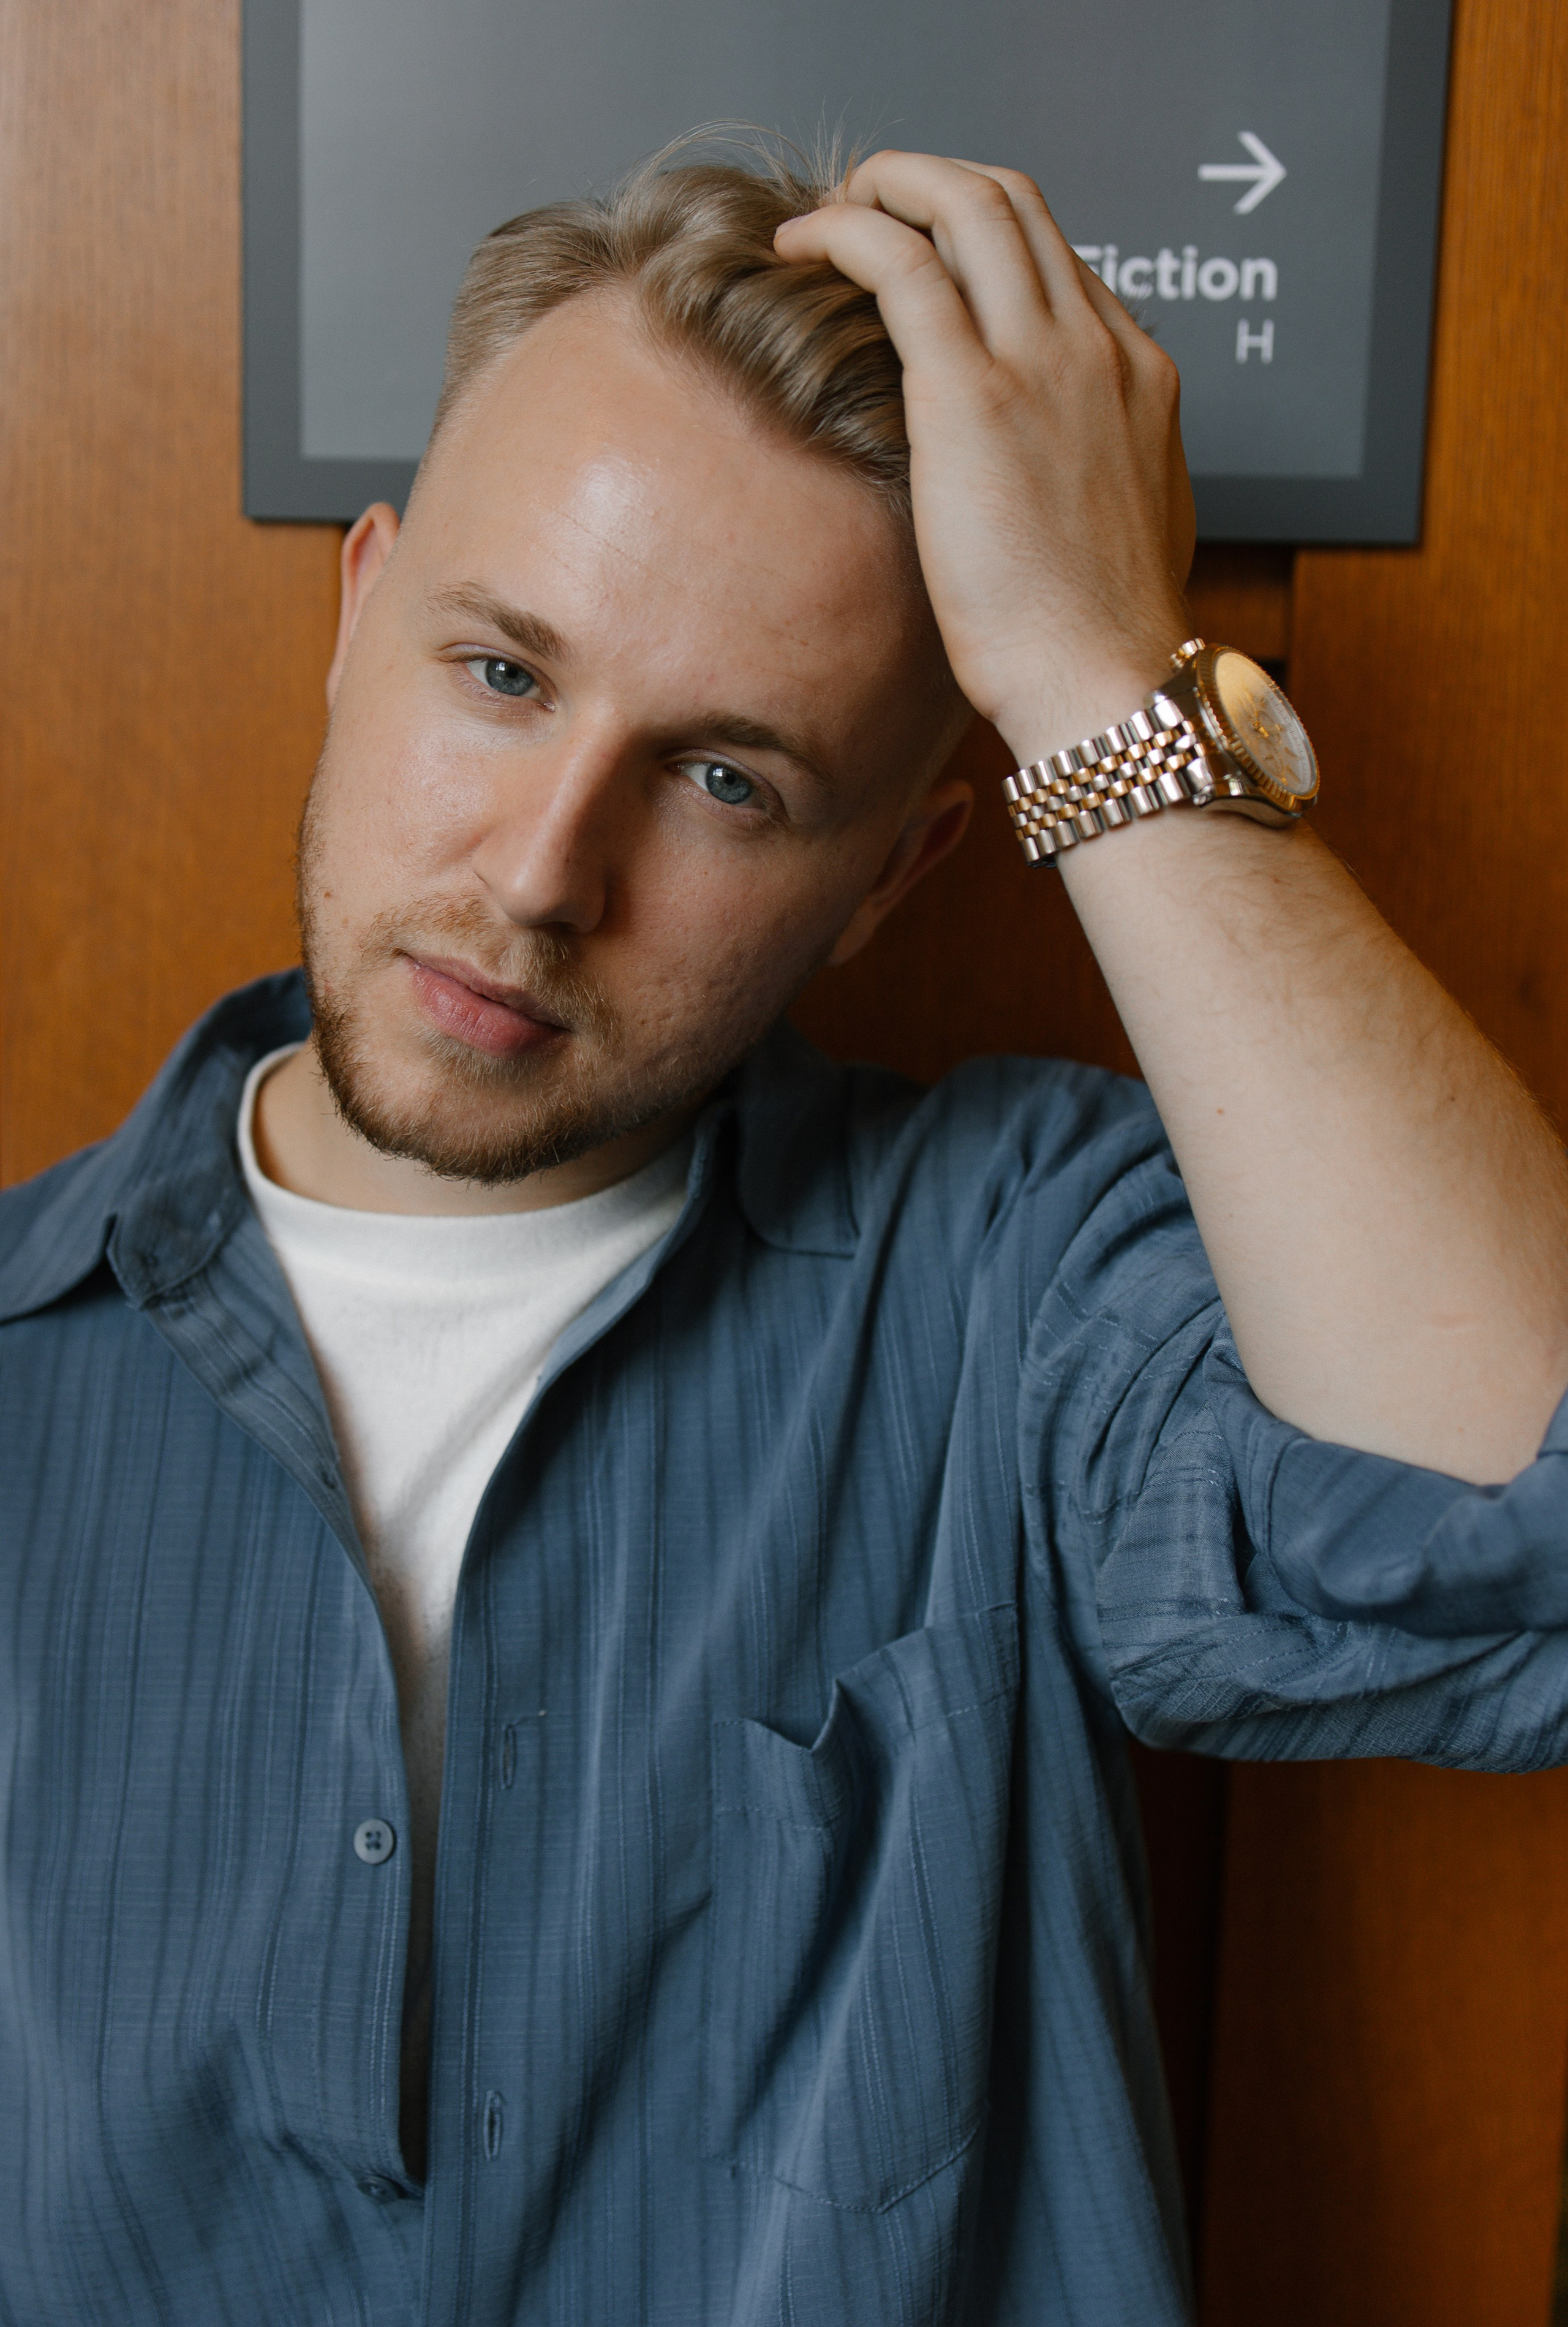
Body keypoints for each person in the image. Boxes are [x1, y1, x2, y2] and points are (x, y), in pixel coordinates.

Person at [3, 139, 1568, 2327]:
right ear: (363, 612)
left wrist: (1099, 678)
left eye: (729, 780)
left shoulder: (1014, 1273)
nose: (547, 873)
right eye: (503, 675)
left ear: (897, 878)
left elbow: (1524, 1511)